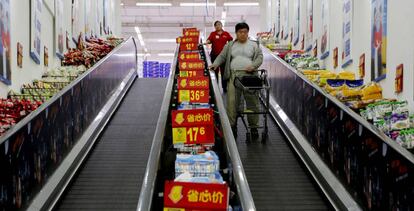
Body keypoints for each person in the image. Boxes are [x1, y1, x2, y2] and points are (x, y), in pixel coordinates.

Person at [209, 22, 263, 138]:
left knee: (252, 102)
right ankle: (232, 127)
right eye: (240, 32)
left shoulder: (254, 45)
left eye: (245, 32)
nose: (243, 34)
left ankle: (253, 127)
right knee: (232, 103)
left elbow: (259, 57)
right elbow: (222, 56)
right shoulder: (230, 45)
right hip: (234, 77)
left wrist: (253, 66)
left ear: (248, 33)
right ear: (236, 33)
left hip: (250, 77)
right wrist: (215, 64)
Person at [206, 21, 233, 92]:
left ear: (221, 25)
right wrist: (207, 42)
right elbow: (209, 40)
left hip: (224, 56)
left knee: (224, 72)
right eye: (216, 25)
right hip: (214, 55)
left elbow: (231, 40)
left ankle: (224, 87)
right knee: (214, 71)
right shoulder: (213, 34)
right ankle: (216, 87)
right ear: (215, 27)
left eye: (219, 25)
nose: (218, 26)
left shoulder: (226, 34)